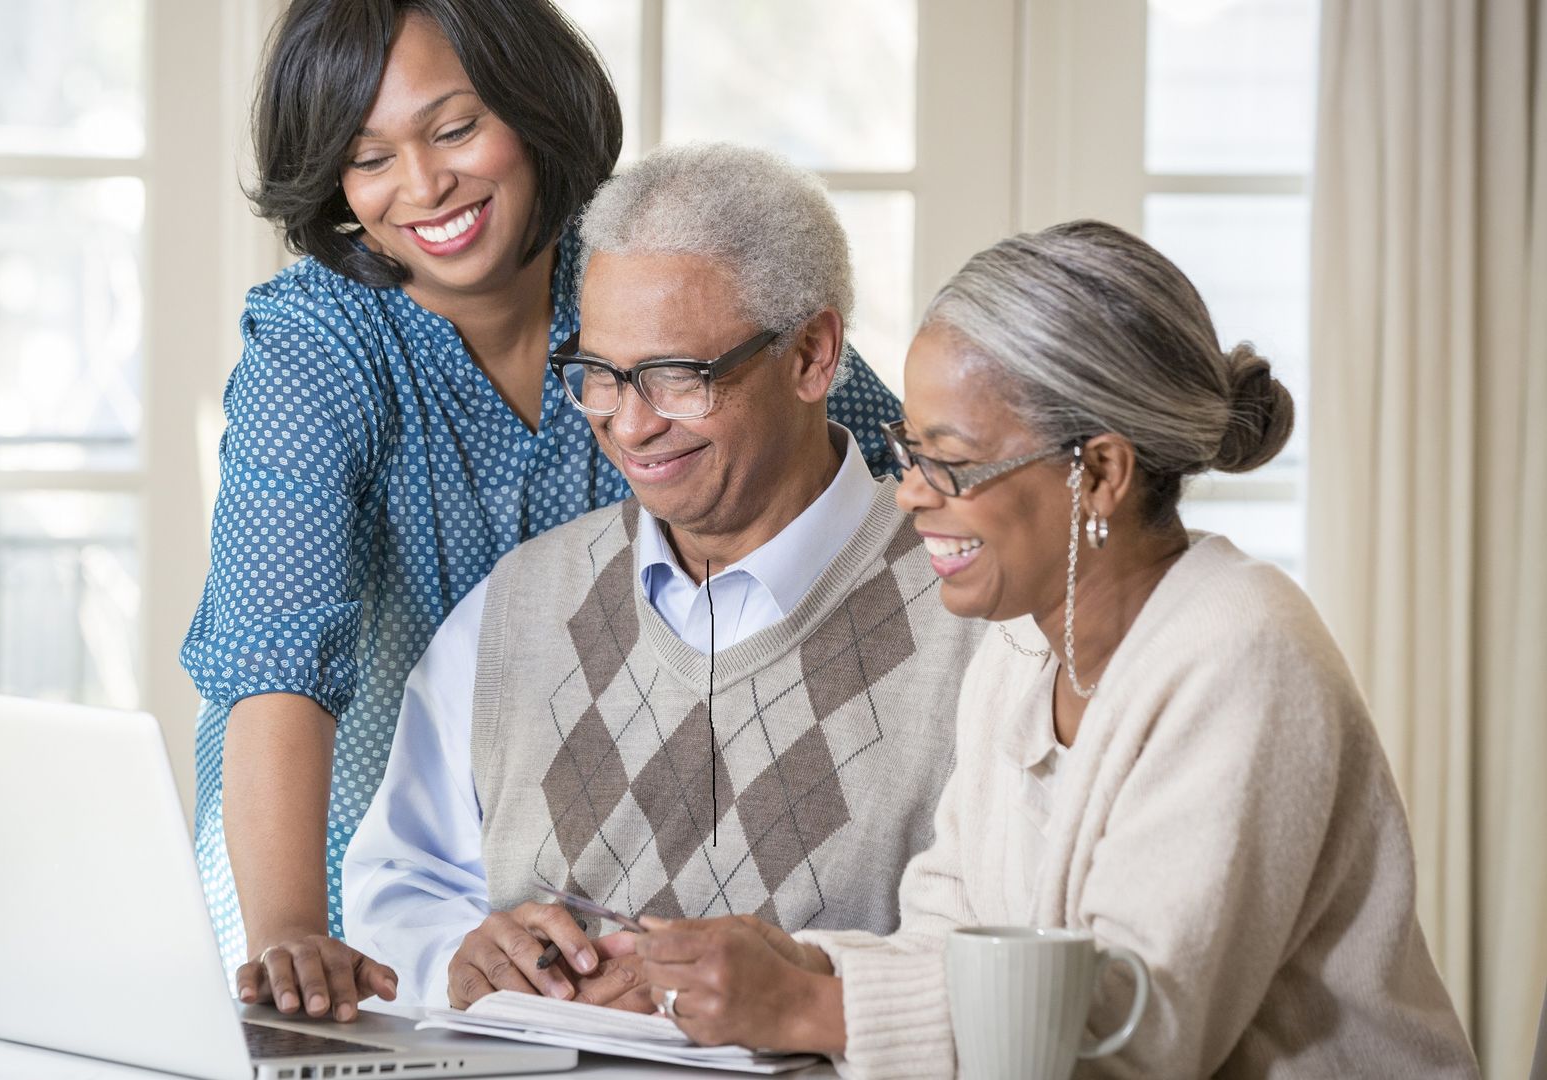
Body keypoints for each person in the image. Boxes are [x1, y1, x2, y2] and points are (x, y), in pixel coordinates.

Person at [178, 0, 906, 1024]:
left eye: (454, 128)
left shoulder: (630, 278)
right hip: (353, 868)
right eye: (367, 156)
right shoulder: (322, 344)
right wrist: (296, 929)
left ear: (530, 104)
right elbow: (275, 655)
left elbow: (871, 443)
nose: (423, 187)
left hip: (581, 862)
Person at [616, 221, 1479, 1077]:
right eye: (909, 450)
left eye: (949, 463)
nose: (911, 494)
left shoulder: (1245, 652)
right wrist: (803, 963)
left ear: (1099, 472)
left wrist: (808, 1007)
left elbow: (1135, 1039)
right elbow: (946, 932)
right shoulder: (1023, 648)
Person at [339, 143, 982, 1008]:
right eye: (600, 376)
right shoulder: (518, 602)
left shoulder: (976, 622)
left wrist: (760, 991)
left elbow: (1008, 966)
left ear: (812, 355)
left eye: (678, 375)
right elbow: (400, 881)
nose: (629, 426)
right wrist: (458, 957)